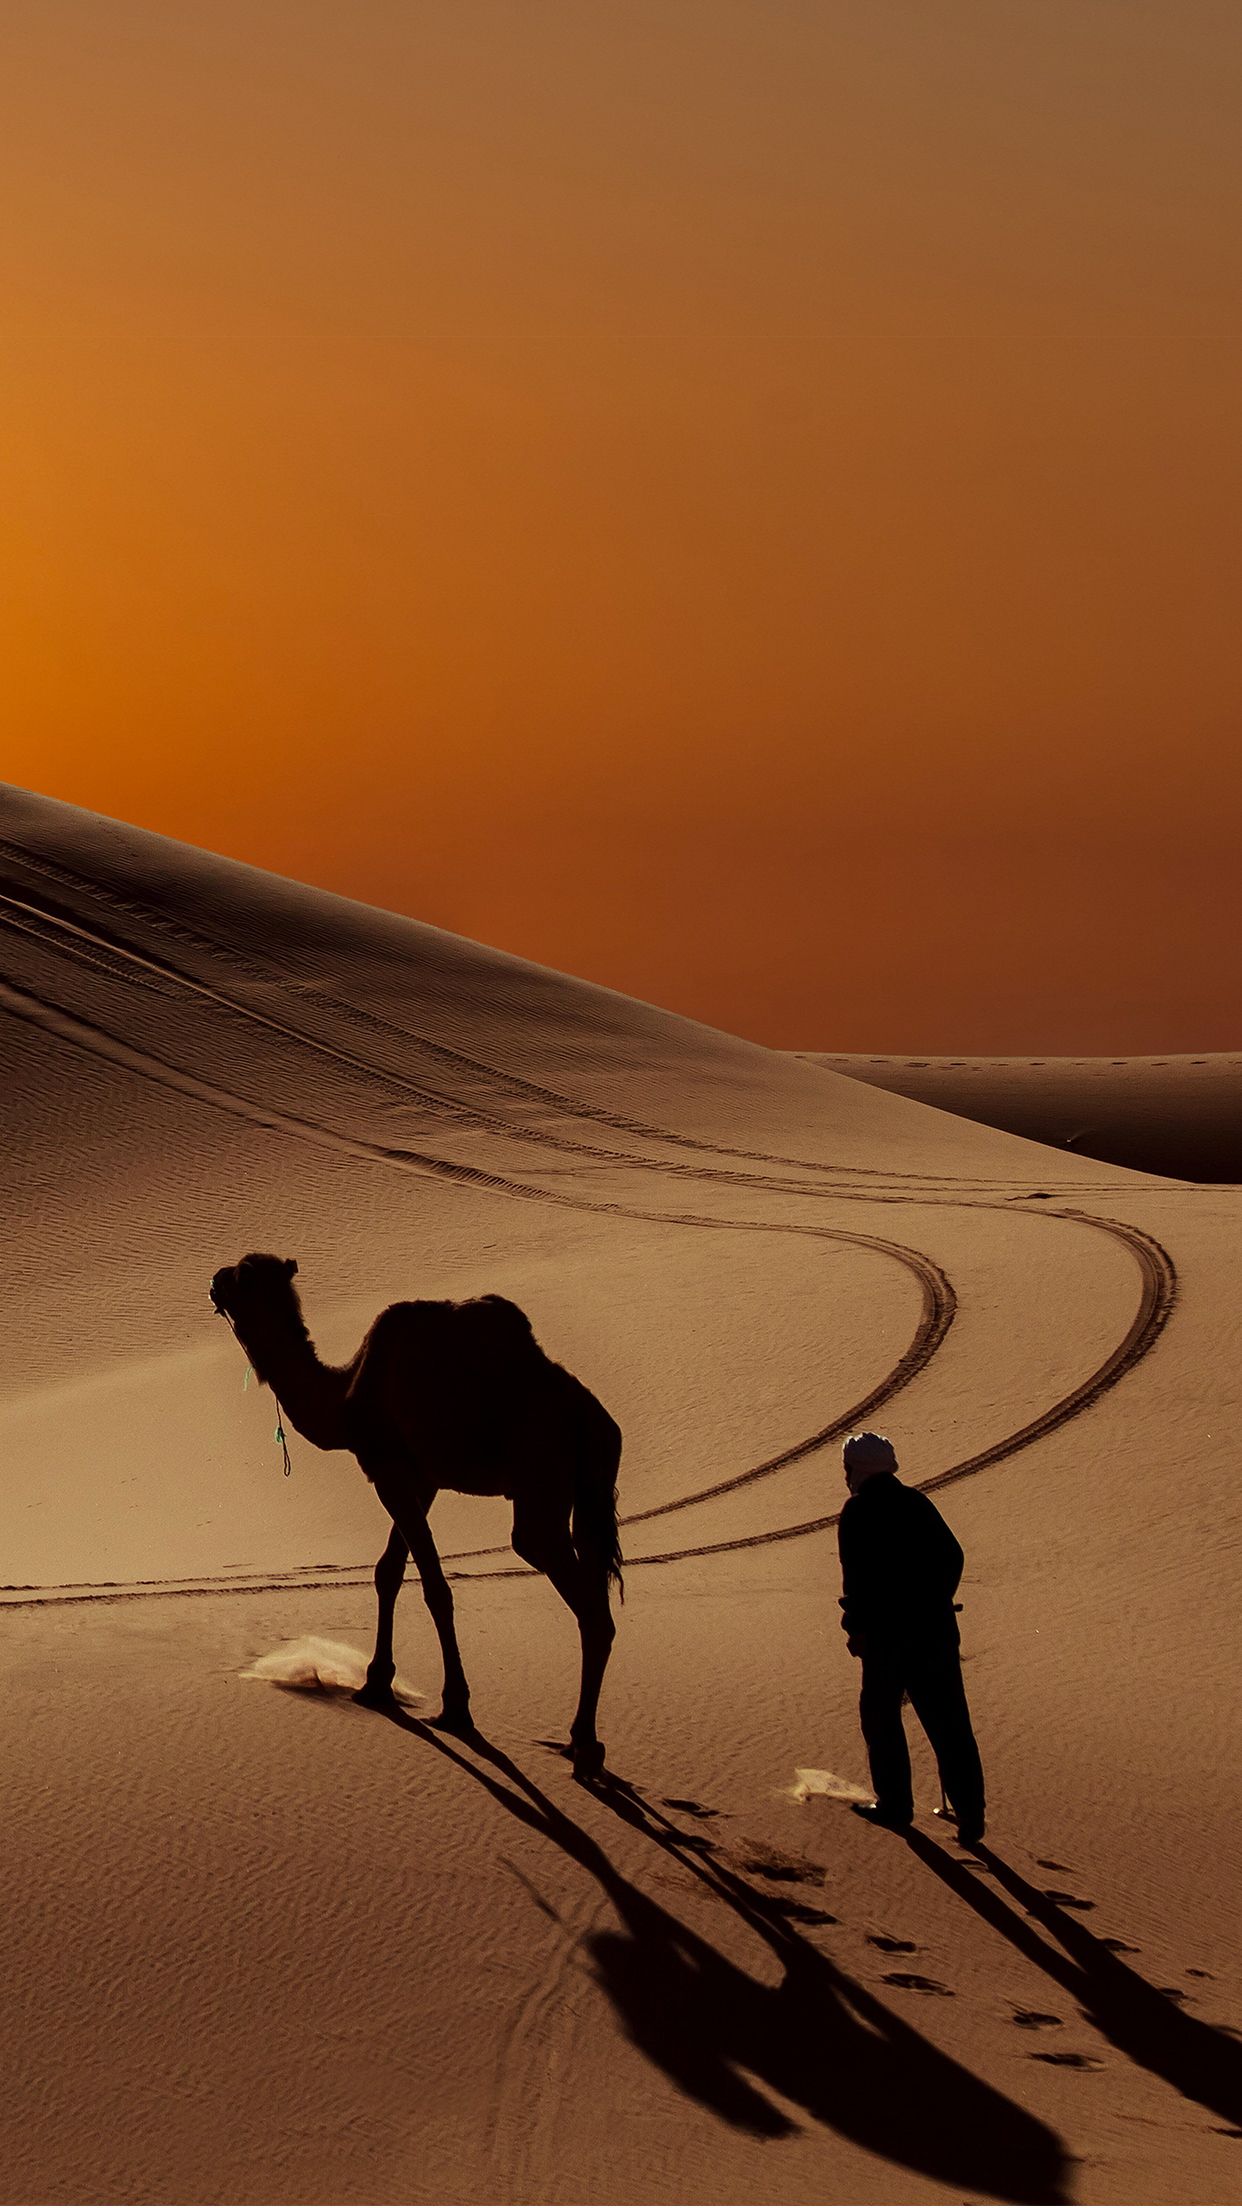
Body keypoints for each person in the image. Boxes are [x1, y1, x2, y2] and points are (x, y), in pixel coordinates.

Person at [837, 1432, 986, 1846]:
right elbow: (953, 1556)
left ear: (858, 1469)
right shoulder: (918, 1503)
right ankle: (971, 1815)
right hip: (934, 1631)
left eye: (848, 1467)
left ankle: (895, 1806)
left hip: (886, 1639)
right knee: (950, 1723)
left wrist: (857, 1629)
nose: (845, 1475)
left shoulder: (858, 1511)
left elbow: (857, 1582)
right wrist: (936, 1599)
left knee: (881, 1718)